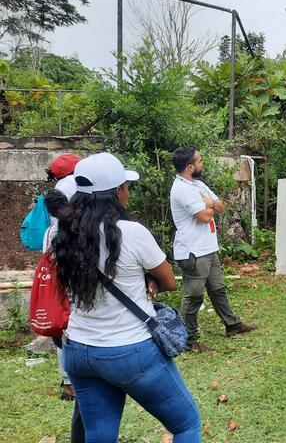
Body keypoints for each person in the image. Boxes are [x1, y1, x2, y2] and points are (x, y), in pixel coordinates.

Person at [52, 152, 201, 441]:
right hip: (129, 350)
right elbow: (169, 281)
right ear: (116, 192)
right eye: (126, 186)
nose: (128, 192)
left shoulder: (63, 232)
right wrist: (148, 278)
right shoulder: (131, 233)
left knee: (99, 435)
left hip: (79, 351)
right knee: (186, 424)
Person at [170, 147, 256, 352]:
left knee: (218, 289)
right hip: (193, 251)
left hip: (208, 248)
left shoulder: (198, 184)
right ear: (190, 167)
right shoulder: (181, 189)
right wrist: (211, 205)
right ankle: (189, 341)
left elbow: (220, 205)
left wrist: (211, 204)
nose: (202, 164)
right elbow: (205, 216)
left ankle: (232, 325)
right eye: (199, 161)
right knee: (193, 297)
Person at [43, 188, 85, 443]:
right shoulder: (78, 227)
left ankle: (69, 384)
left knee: (63, 344)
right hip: (77, 302)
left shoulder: (50, 233)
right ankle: (75, 386)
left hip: (60, 300)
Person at [44, 153, 82, 402]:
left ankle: (69, 381)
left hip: (58, 265)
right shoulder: (74, 185)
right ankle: (71, 382)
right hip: (71, 266)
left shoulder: (57, 191)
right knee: (72, 323)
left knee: (64, 324)